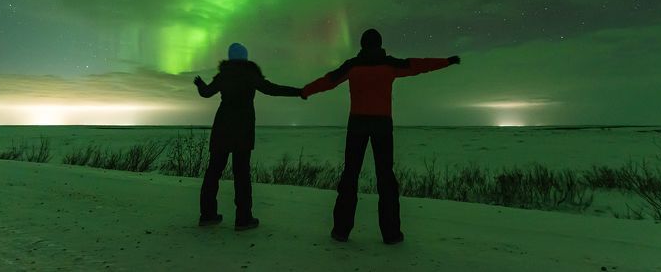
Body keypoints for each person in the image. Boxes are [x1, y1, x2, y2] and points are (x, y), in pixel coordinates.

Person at [301, 28, 461, 244]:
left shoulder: (353, 65)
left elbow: (329, 80)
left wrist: (306, 91)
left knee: (350, 175)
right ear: (379, 44)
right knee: (385, 177)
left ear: (362, 44)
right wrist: (447, 61)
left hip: (357, 123)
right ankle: (391, 234)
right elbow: (418, 65)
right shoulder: (389, 64)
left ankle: (341, 231)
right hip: (382, 125)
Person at [194, 42, 302, 230]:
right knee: (242, 173)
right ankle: (243, 218)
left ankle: (207, 215)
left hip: (222, 128)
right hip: (242, 130)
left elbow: (206, 93)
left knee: (213, 171)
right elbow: (272, 90)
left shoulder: (223, 76)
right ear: (245, 57)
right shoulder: (250, 75)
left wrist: (199, 84)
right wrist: (298, 92)